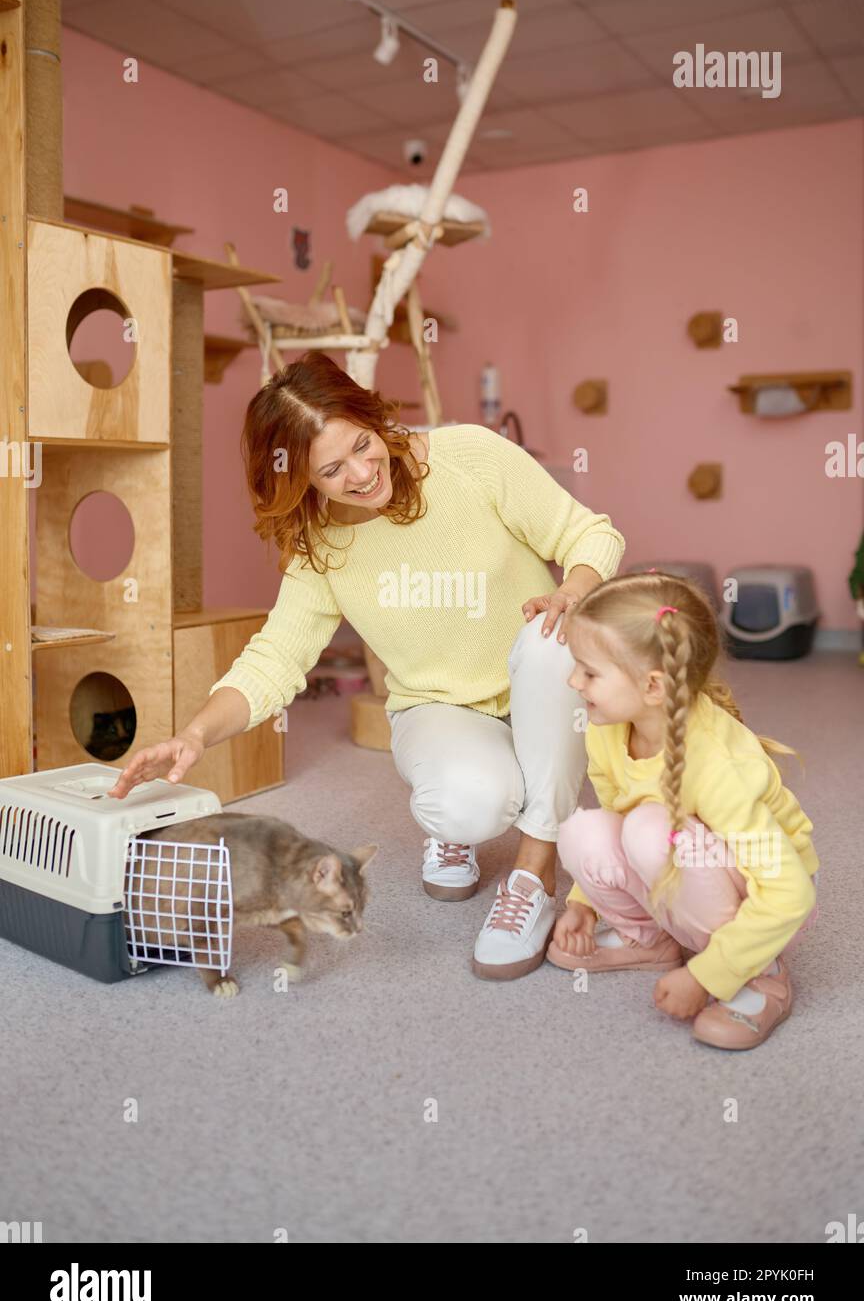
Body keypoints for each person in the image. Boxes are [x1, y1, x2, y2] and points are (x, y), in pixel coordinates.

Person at [110, 351, 626, 978]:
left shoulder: (471, 455)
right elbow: (276, 658)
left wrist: (570, 594)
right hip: (438, 706)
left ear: (373, 415)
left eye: (363, 443)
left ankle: (532, 874)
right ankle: (456, 824)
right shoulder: (318, 546)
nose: (361, 472)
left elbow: (589, 533)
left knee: (552, 640)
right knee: (469, 801)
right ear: (301, 480)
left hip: (536, 679)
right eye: (332, 469)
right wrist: (195, 733)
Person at [550, 571, 818, 1049]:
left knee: (651, 832)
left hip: (770, 902)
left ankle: (758, 970)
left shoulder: (717, 765)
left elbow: (790, 893)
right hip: (689, 867)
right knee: (585, 831)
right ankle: (650, 941)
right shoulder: (607, 726)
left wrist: (708, 977)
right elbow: (613, 815)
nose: (574, 681)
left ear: (654, 686)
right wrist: (583, 905)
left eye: (589, 671)